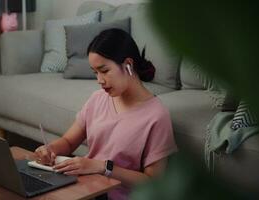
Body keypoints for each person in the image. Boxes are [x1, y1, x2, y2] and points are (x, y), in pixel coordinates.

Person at [34, 28, 177, 200]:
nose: (99, 80)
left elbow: (153, 183)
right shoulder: (98, 99)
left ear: (128, 65)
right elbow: (69, 141)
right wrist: (49, 150)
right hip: (82, 188)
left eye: (104, 70)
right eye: (96, 72)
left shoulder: (156, 116)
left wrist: (104, 167)